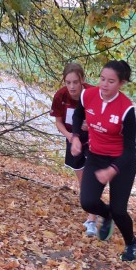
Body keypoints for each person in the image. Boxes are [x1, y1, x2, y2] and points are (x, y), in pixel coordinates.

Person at [71, 60, 136, 262]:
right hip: (96, 157)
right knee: (88, 202)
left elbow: (130, 150)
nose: (104, 84)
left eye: (111, 81)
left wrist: (112, 170)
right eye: (102, 79)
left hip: (121, 162)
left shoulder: (126, 109)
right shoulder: (87, 95)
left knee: (119, 211)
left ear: (121, 83)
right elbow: (77, 115)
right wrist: (75, 137)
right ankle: (106, 214)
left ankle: (130, 243)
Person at [50, 63, 97, 236]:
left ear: (82, 80)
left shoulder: (93, 94)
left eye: (75, 82)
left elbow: (104, 120)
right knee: (83, 180)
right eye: (68, 82)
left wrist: (90, 125)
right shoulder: (60, 96)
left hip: (93, 139)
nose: (71, 86)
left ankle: (92, 219)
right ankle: (92, 213)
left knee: (92, 179)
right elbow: (59, 122)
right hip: (72, 138)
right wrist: (70, 137)